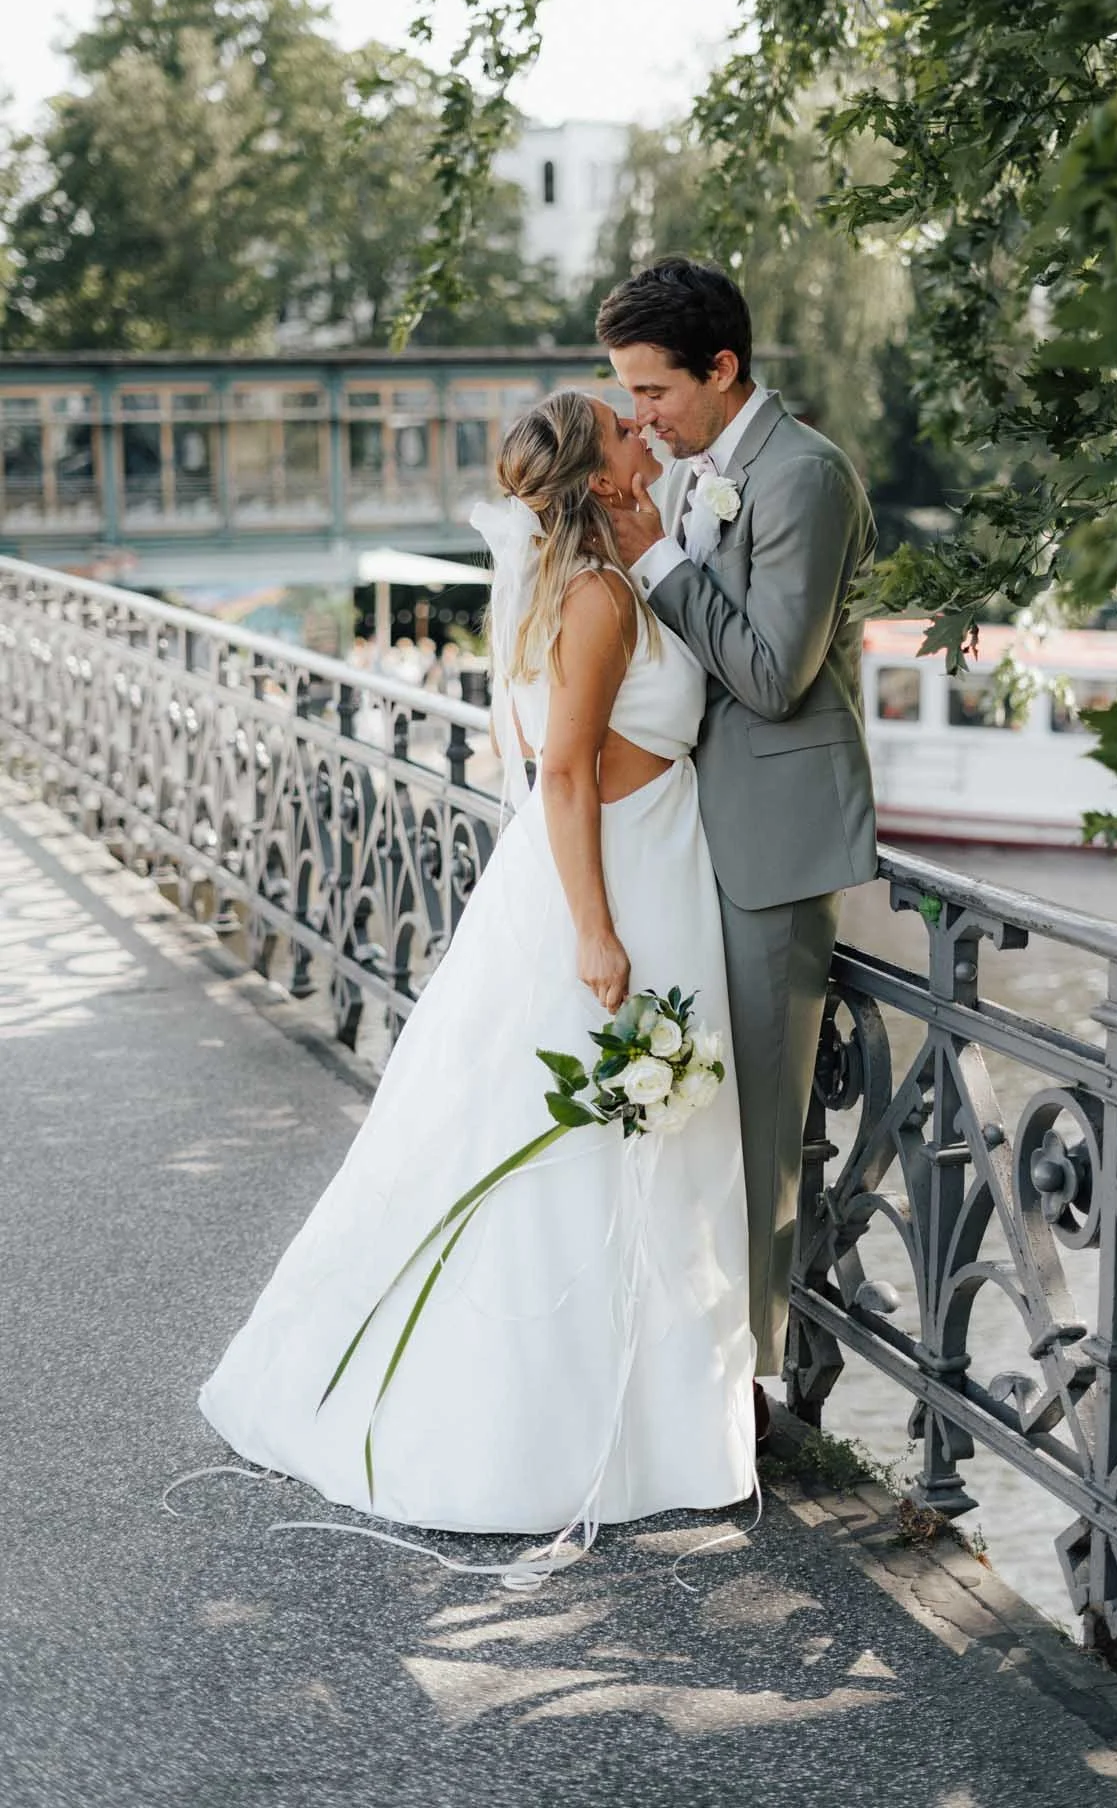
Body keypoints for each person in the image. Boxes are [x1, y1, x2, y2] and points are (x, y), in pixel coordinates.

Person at [199, 392, 754, 1555]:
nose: (643, 432)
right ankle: (538, 1434)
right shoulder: (597, 597)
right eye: (622, 428)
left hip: (643, 867)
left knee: (615, 1152)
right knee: (574, 1158)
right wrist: (596, 934)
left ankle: (648, 1424)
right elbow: (558, 775)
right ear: (602, 482)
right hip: (614, 891)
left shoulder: (604, 579)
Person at [602, 258, 879, 1398]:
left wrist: (656, 560)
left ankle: (750, 1398)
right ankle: (680, 1357)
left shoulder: (803, 475)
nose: (640, 417)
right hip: (689, 836)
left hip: (770, 845)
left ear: (722, 368)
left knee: (765, 1133)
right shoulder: (702, 472)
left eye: (655, 391)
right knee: (691, 1115)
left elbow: (770, 674)